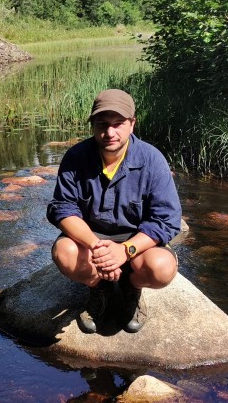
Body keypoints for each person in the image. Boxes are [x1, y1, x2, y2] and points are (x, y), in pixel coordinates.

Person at [47, 89, 181, 334]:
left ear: (132, 124)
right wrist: (97, 247)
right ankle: (98, 288)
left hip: (138, 245)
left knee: (162, 268)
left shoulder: (153, 160)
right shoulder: (76, 157)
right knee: (63, 252)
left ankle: (131, 288)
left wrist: (124, 250)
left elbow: (166, 221)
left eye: (118, 124)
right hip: (91, 242)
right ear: (93, 125)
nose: (110, 132)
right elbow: (62, 209)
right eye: (102, 124)